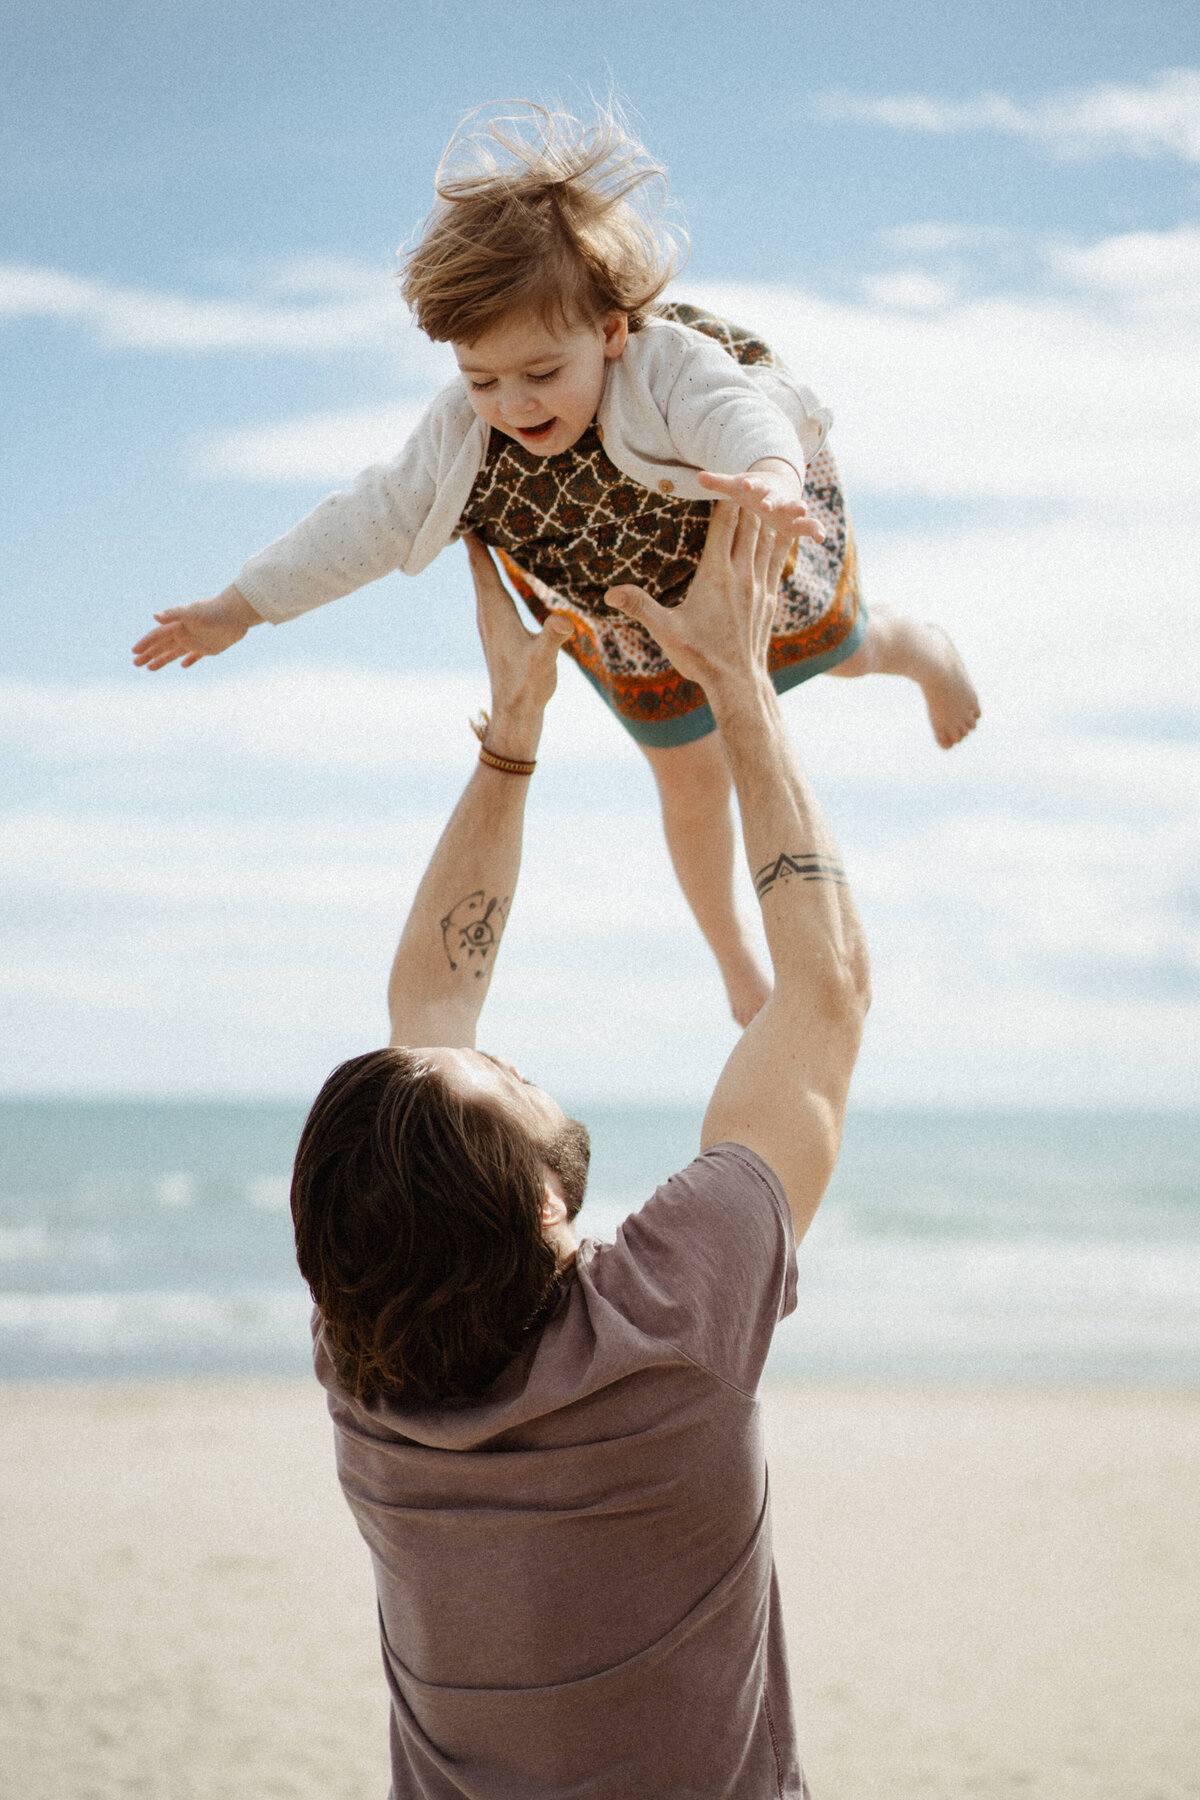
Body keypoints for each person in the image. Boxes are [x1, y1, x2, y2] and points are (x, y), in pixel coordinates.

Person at [288, 503, 870, 1800]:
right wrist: (737, 683)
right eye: (502, 1081)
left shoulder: (368, 1370)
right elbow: (824, 998)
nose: (493, 1045)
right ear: (549, 1209)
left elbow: (427, 1019)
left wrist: (514, 735)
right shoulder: (667, 1330)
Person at [132, 102, 940, 1027]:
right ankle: (734, 963)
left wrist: (769, 474)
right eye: (482, 379)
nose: (512, 403)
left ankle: (922, 653)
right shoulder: (459, 435)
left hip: (743, 555)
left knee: (845, 647)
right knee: (685, 781)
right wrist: (242, 605)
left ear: (610, 330)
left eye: (540, 373)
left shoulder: (668, 363)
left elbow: (739, 414)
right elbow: (366, 520)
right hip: (632, 619)